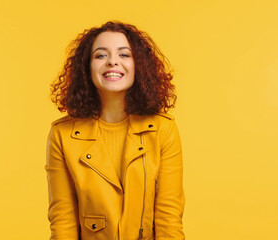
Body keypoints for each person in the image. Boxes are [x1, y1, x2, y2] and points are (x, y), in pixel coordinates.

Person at [45, 21, 185, 240]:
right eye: (100, 55)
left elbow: (169, 217)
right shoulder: (62, 135)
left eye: (124, 55)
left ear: (139, 65)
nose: (112, 62)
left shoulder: (163, 129)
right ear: (86, 67)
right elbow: (63, 220)